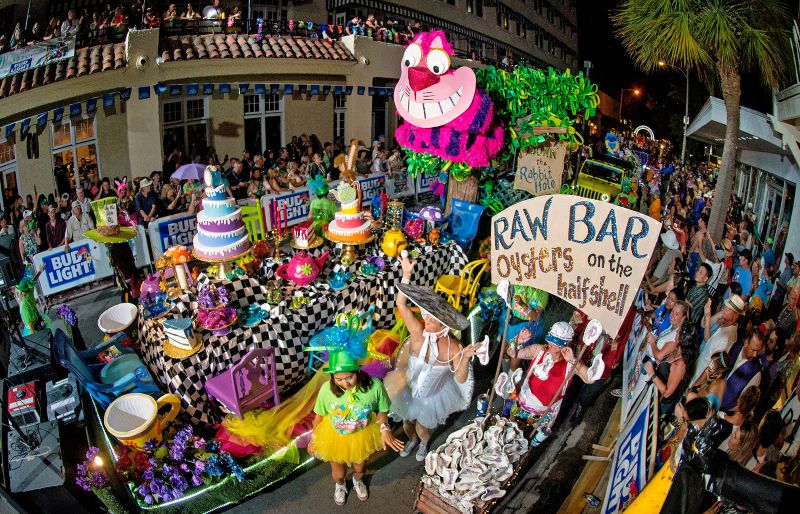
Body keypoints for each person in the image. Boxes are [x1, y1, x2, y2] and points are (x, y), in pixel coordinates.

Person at [385, 255, 478, 461]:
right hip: (408, 389)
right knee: (407, 423)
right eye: (427, 316)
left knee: (422, 428)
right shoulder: (418, 332)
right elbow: (401, 304)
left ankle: (423, 443)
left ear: (445, 325)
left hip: (432, 397)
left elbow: (460, 378)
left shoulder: (453, 347)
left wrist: (465, 359)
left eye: (433, 320)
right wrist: (406, 275)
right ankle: (412, 440)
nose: (427, 321)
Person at [509, 321, 599, 443]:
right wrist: (516, 341)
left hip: (544, 414)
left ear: (566, 345)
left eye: (556, 345)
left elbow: (590, 379)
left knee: (531, 442)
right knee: (510, 431)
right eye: (550, 342)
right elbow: (513, 353)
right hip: (522, 404)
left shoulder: (571, 364)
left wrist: (573, 360)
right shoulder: (539, 350)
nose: (551, 346)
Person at [691, 295, 745, 385]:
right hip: (698, 366)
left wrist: (695, 385)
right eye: (725, 307)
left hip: (699, 375)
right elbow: (708, 340)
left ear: (736, 315)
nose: (724, 309)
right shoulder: (725, 325)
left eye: (728, 309)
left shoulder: (727, 338)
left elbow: (713, 365)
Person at [720, 329, 767, 412]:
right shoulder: (734, 346)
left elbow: (743, 404)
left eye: (758, 351)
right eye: (753, 350)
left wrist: (724, 413)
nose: (755, 355)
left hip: (723, 411)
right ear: (746, 343)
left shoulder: (756, 373)